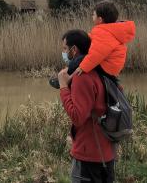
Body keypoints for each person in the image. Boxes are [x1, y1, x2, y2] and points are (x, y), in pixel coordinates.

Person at [59, 29, 115, 183]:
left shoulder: (82, 75)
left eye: (64, 49)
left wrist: (63, 87)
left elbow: (78, 117)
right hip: (107, 152)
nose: (63, 53)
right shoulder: (103, 70)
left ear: (74, 49)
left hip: (88, 155)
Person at [74, 1, 135, 78]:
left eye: (93, 15)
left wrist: (83, 67)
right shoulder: (111, 30)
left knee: (79, 59)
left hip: (107, 67)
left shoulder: (102, 32)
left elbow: (96, 54)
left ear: (100, 19)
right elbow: (98, 43)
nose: (92, 17)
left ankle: (67, 77)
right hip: (113, 66)